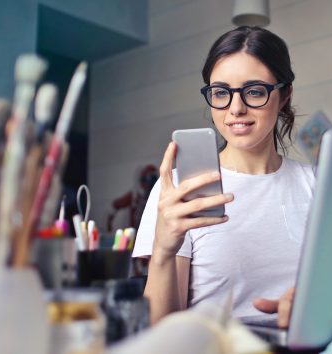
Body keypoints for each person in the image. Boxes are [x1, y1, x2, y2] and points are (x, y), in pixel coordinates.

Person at [132, 26, 315, 327]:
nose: (236, 108)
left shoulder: (318, 185)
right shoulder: (180, 190)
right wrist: (164, 250)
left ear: (284, 95)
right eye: (221, 93)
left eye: (254, 91)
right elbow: (161, 333)